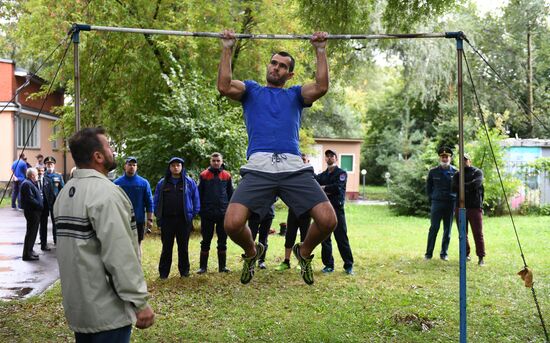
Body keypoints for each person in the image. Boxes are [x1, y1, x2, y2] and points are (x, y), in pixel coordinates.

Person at [217, 29, 336, 285]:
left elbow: (322, 86)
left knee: (328, 220)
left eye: (283, 66)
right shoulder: (251, 91)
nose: (276, 68)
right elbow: (224, 86)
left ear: (289, 74)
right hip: (259, 166)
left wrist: (321, 49)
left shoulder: (294, 94)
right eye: (273, 63)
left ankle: (303, 252)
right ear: (268, 66)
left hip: (292, 166)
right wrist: (227, 47)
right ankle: (252, 252)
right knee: (232, 224)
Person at [53, 127, 154, 341]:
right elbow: (120, 255)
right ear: (98, 156)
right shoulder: (107, 194)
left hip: (80, 313)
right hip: (108, 315)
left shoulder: (64, 194)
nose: (113, 151)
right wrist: (140, 302)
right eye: (109, 146)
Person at [154, 157, 200, 279]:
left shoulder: (189, 182)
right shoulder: (162, 183)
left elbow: (196, 199)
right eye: (173, 165)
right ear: (169, 168)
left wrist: (193, 214)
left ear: (182, 167)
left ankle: (184, 272)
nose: (176, 167)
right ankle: (163, 274)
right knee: (166, 247)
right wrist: (157, 215)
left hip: (183, 220)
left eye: (178, 165)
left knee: (183, 247)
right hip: (167, 220)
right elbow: (156, 200)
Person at [316, 149, 355, 275]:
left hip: (337, 210)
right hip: (325, 211)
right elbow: (315, 184)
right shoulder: (322, 175)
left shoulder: (341, 173)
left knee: (341, 238)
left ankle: (348, 265)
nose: (329, 158)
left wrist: (324, 188)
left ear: (336, 158)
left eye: (331, 156)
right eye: (327, 156)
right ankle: (328, 265)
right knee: (325, 238)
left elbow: (338, 188)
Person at [197, 152, 233, 274]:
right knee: (205, 241)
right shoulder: (203, 175)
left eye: (218, 160)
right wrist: (200, 211)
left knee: (222, 241)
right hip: (207, 214)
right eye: (214, 161)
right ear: (210, 162)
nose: (216, 162)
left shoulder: (227, 176)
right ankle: (203, 267)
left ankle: (222, 267)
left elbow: (231, 195)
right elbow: (199, 195)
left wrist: (230, 211)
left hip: (223, 214)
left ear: (222, 161)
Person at [276, 153, 312, 271]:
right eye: (300, 159)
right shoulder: (292, 176)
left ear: (307, 161)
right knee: (289, 236)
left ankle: (302, 262)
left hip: (306, 212)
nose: (302, 161)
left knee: (304, 238)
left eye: (304, 159)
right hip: (293, 211)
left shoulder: (311, 176)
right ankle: (286, 262)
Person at [452, 153, 486, 266]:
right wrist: (467, 187)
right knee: (462, 233)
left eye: (465, 160)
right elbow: (453, 187)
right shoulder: (457, 175)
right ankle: (465, 254)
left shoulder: (478, 172)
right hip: (460, 206)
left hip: (475, 207)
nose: (464, 162)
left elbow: (476, 184)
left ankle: (481, 257)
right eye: (461, 160)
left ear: (469, 161)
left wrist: (462, 187)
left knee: (478, 233)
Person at [425, 146, 457, 261]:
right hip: (437, 203)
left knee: (447, 230)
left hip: (450, 203)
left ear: (450, 158)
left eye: (447, 157)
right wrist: (432, 199)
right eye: (443, 157)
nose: (444, 159)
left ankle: (444, 254)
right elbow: (428, 188)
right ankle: (428, 254)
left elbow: (458, 189)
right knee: (434, 228)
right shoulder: (433, 172)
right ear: (440, 158)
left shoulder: (456, 172)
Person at [114, 157, 154, 247]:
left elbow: (149, 202)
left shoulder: (143, 183)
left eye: (134, 165)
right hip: (122, 220)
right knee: (123, 245)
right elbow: (112, 203)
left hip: (138, 220)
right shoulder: (117, 183)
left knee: (137, 244)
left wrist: (150, 219)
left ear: (137, 167)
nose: (132, 167)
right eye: (129, 164)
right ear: (125, 166)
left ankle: (137, 261)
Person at [20, 167, 42, 261]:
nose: (37, 176)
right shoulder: (27, 184)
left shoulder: (30, 183)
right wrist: (39, 205)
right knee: (31, 232)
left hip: (34, 212)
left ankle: (30, 250)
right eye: (36, 174)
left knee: (33, 232)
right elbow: (30, 199)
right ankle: (27, 254)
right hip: (32, 212)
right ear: (32, 175)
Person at [44, 156, 64, 244]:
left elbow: (62, 189)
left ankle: (56, 240)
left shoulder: (58, 176)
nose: (49, 165)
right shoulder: (42, 175)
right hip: (44, 202)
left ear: (54, 165)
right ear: (45, 165)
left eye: (51, 164)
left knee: (55, 222)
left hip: (55, 202)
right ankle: (43, 242)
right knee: (43, 223)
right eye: (48, 164)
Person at [248, 204, 275, 270]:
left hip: (268, 213)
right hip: (254, 213)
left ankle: (261, 261)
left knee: (263, 239)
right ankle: (250, 260)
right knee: (251, 239)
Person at [36, 165, 55, 251]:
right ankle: (32, 245)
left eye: (42, 171)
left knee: (44, 226)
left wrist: (50, 204)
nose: (40, 172)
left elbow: (51, 193)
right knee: (34, 227)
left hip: (45, 207)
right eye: (39, 171)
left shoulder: (48, 180)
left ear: (44, 171)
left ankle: (44, 244)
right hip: (35, 208)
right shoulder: (33, 181)